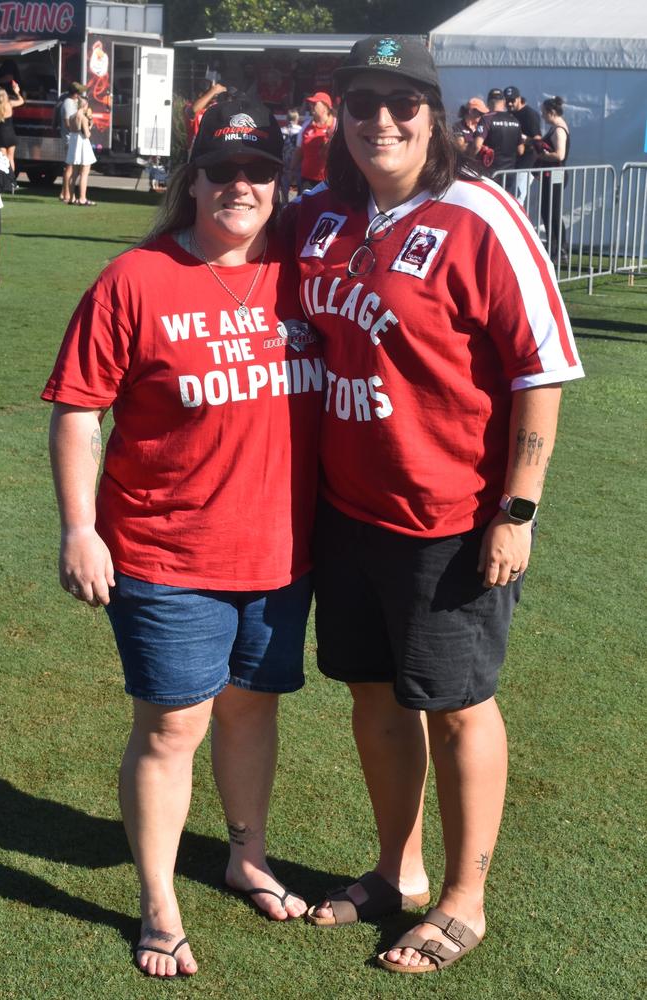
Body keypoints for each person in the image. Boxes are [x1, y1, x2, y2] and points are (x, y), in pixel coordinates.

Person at [291, 35, 584, 974]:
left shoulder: (481, 215)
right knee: (373, 697)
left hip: (451, 517)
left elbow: (542, 370)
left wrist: (519, 507)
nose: (382, 119)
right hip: (345, 510)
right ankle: (396, 870)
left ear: (435, 113)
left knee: (459, 706)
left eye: (402, 102)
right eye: (363, 101)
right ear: (340, 114)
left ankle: (466, 898)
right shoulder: (321, 216)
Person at [42, 95, 323, 979]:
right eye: (224, 169)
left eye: (260, 172)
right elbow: (80, 412)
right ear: (191, 178)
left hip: (281, 552)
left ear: (280, 185)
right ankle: (159, 903)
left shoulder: (300, 272)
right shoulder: (137, 277)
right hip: (165, 553)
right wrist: (79, 528)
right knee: (173, 727)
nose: (241, 186)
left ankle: (246, 854)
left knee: (251, 709)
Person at [535, 96, 571, 265]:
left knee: (553, 211)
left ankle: (560, 249)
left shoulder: (559, 130)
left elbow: (560, 155)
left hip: (556, 174)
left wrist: (543, 155)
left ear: (551, 112)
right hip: (550, 175)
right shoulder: (554, 128)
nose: (542, 116)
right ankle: (553, 246)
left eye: (544, 113)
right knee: (546, 211)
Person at [473, 87, 524, 191]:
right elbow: (521, 150)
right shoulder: (515, 120)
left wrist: (468, 157)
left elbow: (477, 145)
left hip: (490, 173)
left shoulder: (486, 118)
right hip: (509, 174)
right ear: (504, 102)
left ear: (488, 103)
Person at [503, 85, 542, 205]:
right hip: (512, 162)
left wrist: (523, 139)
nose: (509, 104)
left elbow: (538, 141)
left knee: (517, 199)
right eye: (507, 101)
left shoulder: (530, 115)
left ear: (519, 99)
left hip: (526, 163)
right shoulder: (509, 114)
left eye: (512, 100)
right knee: (507, 197)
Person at [291, 91, 336, 190]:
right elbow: (299, 151)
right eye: (311, 103)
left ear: (325, 107)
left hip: (330, 180)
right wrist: (291, 171)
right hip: (307, 179)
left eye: (315, 103)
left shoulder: (336, 126)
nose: (311, 105)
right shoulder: (306, 125)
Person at [59, 82, 87, 203]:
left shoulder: (69, 102)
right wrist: (81, 127)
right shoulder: (69, 103)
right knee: (69, 168)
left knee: (70, 167)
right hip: (70, 138)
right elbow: (68, 122)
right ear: (76, 93)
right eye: (80, 92)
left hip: (71, 138)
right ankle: (66, 195)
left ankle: (64, 193)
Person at [66, 96, 97, 205]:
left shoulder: (71, 117)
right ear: (85, 106)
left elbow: (71, 129)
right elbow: (87, 134)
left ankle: (71, 198)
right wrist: (90, 124)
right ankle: (82, 198)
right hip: (83, 144)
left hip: (74, 143)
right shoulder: (83, 118)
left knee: (74, 173)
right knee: (84, 173)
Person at [184, 77, 228, 150]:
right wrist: (213, 91)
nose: (214, 96)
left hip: (212, 147)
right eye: (210, 93)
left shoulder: (214, 107)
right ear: (200, 94)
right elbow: (193, 110)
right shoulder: (189, 107)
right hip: (197, 148)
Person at [0, 79, 24, 177]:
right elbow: (21, 101)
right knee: (11, 158)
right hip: (11, 135)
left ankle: (2, 181)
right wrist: (17, 92)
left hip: (1, 136)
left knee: (2, 160)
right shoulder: (10, 104)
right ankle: (11, 181)